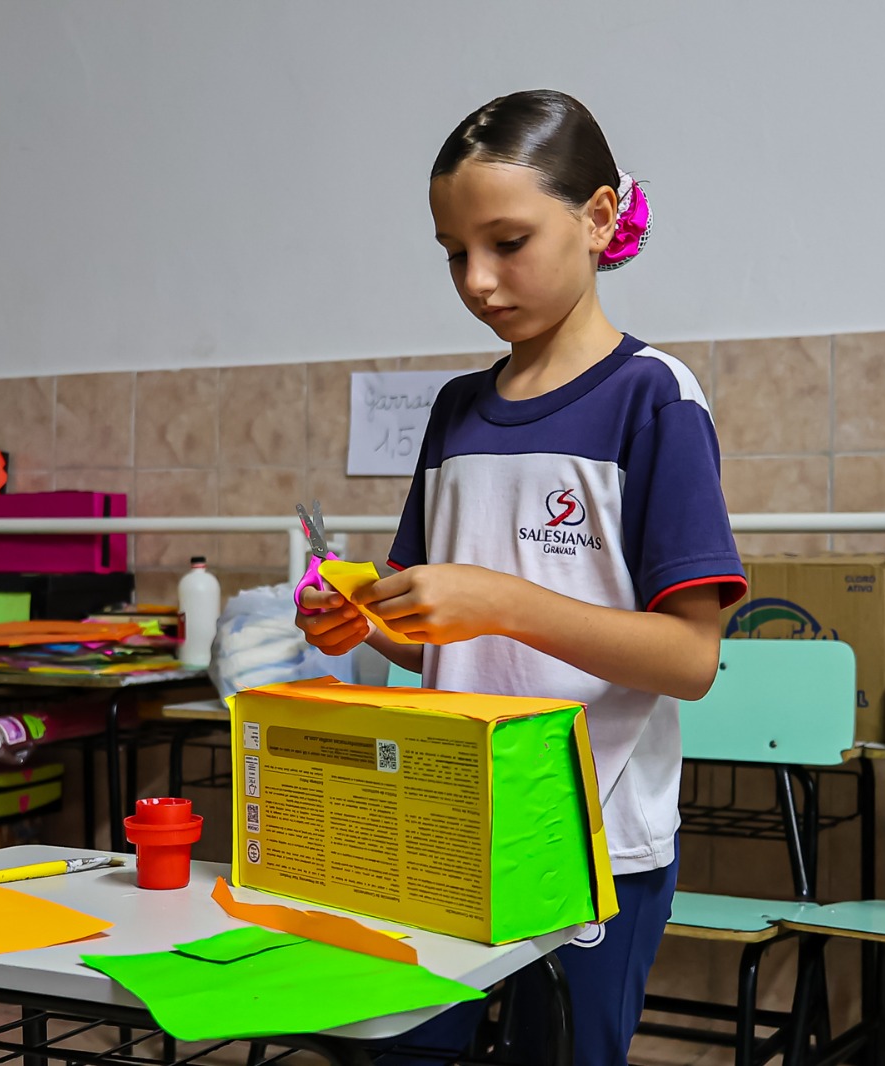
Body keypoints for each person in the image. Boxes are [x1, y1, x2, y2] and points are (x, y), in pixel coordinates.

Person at [296, 89, 746, 1064]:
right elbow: (430, 632)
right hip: (447, 818)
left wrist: (499, 601)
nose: (477, 280)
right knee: (405, 1046)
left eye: (506, 243)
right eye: (454, 253)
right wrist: (364, 616)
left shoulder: (654, 399)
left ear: (598, 217)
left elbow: (690, 659)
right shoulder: (456, 411)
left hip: (591, 838)